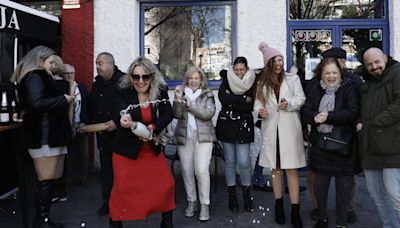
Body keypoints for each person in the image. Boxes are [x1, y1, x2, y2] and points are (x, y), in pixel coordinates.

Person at [10, 46, 75, 228]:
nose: (54, 65)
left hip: (46, 133)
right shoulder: (35, 76)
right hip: (43, 134)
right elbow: (37, 103)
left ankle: (43, 220)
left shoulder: (36, 76)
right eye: (51, 61)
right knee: (46, 179)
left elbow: (32, 103)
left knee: (49, 178)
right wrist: (63, 99)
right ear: (40, 59)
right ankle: (42, 221)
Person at [108, 56, 175, 228]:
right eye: (135, 76)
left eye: (145, 77)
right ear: (130, 77)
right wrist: (125, 119)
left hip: (151, 148)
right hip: (126, 150)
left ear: (152, 76)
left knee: (166, 185)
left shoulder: (160, 90)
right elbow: (121, 112)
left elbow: (168, 114)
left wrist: (153, 127)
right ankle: (116, 224)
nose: (140, 81)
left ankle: (167, 224)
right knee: (122, 191)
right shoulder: (122, 91)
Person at [301, 57, 361, 228]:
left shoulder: (348, 88)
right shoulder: (314, 88)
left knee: (343, 190)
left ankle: (341, 223)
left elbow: (353, 112)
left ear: (340, 72)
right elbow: (305, 111)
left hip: (344, 147)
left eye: (334, 72)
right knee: (320, 187)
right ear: (321, 73)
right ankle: (322, 218)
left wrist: (329, 116)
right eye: (327, 73)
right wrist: (314, 117)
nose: (331, 76)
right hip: (321, 146)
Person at [254, 42, 305, 227]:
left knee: (291, 170)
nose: (278, 63)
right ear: (268, 64)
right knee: (275, 170)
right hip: (271, 131)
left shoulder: (292, 79)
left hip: (289, 131)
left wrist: (289, 103)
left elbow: (301, 99)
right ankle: (278, 206)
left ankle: (295, 210)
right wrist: (260, 111)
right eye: (274, 60)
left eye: (280, 59)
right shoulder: (262, 83)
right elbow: (257, 104)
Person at [358, 47, 400, 228]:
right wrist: (359, 122)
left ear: (384, 57)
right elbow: (361, 109)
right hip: (369, 148)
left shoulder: (397, 73)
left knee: (395, 195)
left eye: (377, 62)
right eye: (369, 64)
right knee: (377, 196)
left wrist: (376, 122)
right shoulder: (367, 83)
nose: (374, 67)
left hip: (392, 147)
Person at [172, 66, 216, 221]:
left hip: (203, 138)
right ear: (187, 80)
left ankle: (205, 204)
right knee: (186, 170)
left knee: (202, 170)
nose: (193, 81)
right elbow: (176, 114)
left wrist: (191, 105)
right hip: (185, 138)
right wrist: (178, 98)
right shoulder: (182, 94)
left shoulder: (208, 95)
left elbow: (208, 114)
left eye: (196, 78)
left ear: (201, 80)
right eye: (190, 78)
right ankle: (192, 201)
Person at [216, 56, 256, 212]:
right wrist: (243, 99)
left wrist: (235, 102)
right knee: (230, 161)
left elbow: (250, 107)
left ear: (246, 69)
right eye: (236, 70)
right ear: (233, 69)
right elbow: (223, 98)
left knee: (244, 162)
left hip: (244, 126)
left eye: (242, 70)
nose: (239, 73)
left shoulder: (253, 81)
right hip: (226, 125)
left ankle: (247, 196)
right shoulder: (227, 79)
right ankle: (232, 197)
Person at [88, 52, 125, 216]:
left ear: (111, 64)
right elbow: (91, 106)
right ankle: (107, 203)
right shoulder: (96, 84)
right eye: (96, 63)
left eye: (100, 63)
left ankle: (124, 202)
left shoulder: (124, 81)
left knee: (122, 172)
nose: (97, 67)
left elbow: (131, 106)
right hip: (103, 137)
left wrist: (117, 122)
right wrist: (85, 123)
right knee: (106, 172)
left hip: (121, 136)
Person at [62, 64, 90, 186]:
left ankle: (83, 178)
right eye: (66, 73)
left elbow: (87, 106)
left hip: (81, 125)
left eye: (71, 73)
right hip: (65, 126)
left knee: (83, 154)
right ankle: (65, 180)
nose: (69, 76)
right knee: (65, 155)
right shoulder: (60, 88)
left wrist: (85, 121)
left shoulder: (82, 88)